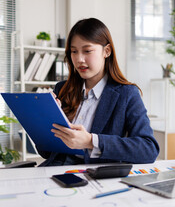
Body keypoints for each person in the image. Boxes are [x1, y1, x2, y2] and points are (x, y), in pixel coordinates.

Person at [37, 18, 159, 166]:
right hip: (53, 171)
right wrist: (45, 118)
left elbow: (148, 149)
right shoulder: (62, 89)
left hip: (93, 176)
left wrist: (90, 141)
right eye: (74, 51)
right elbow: (45, 152)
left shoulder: (127, 94)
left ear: (106, 51)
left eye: (87, 51)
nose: (79, 59)